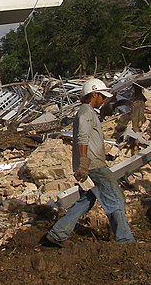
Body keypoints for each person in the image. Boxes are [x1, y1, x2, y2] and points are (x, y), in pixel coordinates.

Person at [41, 78, 135, 246]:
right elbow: (82, 138)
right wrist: (84, 163)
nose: (104, 100)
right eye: (102, 96)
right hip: (94, 166)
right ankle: (125, 241)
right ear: (93, 94)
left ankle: (57, 234)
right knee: (116, 200)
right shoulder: (86, 114)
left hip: (90, 165)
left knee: (86, 200)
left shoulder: (88, 113)